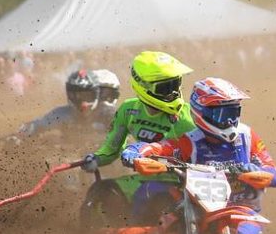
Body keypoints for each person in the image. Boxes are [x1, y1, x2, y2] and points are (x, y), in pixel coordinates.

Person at [120, 77, 276, 234]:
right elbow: (161, 148)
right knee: (150, 190)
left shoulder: (247, 137)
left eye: (234, 113)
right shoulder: (191, 141)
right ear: (202, 112)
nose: (230, 121)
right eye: (223, 115)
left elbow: (273, 173)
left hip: (241, 210)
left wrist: (257, 171)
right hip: (198, 209)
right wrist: (135, 151)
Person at [78, 51, 195, 224]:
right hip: (144, 178)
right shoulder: (128, 110)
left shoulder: (190, 116)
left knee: (152, 195)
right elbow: (112, 148)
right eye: (165, 87)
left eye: (175, 84)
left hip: (181, 182)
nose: (173, 92)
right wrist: (96, 158)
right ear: (143, 86)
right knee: (101, 191)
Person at [17, 69, 120, 137]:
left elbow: (124, 139)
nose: (83, 102)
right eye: (76, 96)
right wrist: (18, 135)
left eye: (87, 96)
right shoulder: (63, 114)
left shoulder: (109, 114)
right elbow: (37, 125)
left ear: (96, 94)